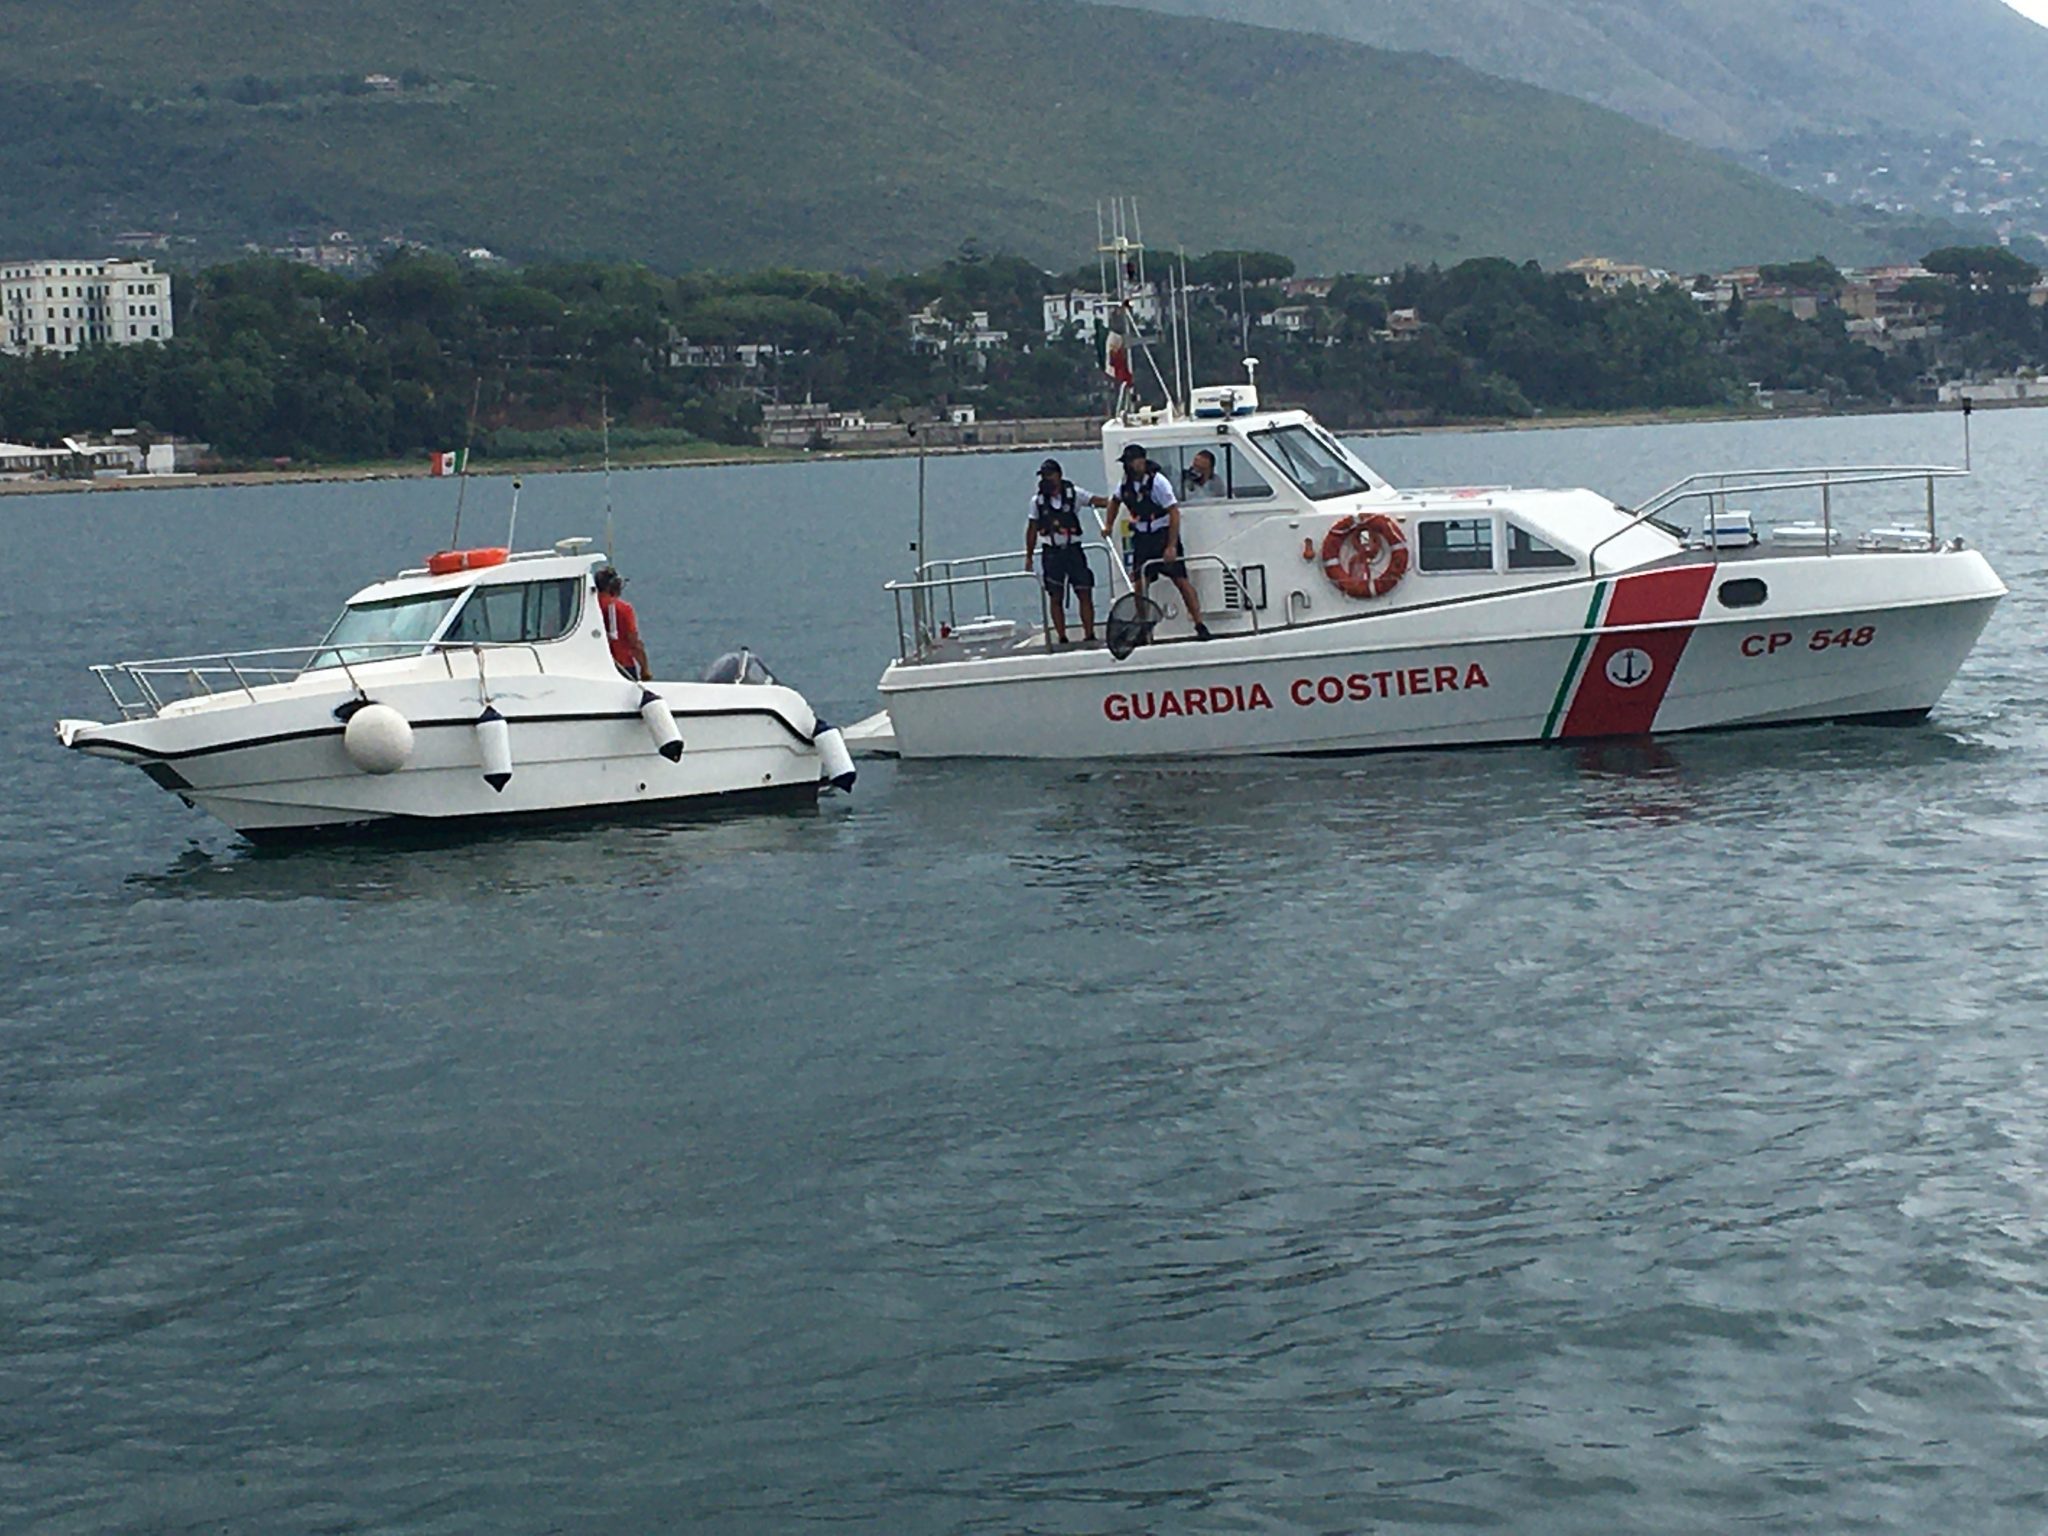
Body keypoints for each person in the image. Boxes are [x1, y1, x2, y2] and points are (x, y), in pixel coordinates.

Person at [1111, 442, 1210, 639]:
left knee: (1180, 580)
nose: (1131, 466)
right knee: (1140, 583)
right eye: (1128, 462)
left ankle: (1199, 624)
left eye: (1134, 461)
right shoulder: (1125, 484)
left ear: (1142, 461)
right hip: (1142, 537)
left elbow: (1173, 512)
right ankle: (1143, 626)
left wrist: (1171, 545)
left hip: (1161, 534)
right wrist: (1108, 525)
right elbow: (1114, 501)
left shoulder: (1158, 483)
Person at [1023, 457, 1111, 645]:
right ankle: (1062, 637)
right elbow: (1032, 529)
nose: (1047, 479)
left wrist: (1117, 502)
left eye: (1050, 475)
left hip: (1073, 550)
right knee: (1055, 595)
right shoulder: (1037, 502)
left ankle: (1089, 634)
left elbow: (1098, 501)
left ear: (1059, 475)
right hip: (1051, 552)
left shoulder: (1074, 494)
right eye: (1044, 476)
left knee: (1084, 591)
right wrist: (1029, 557)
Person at [593, 565, 652, 680]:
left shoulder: (588, 607)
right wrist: (644, 668)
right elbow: (634, 643)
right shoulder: (623, 609)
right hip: (623, 666)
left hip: (597, 667)